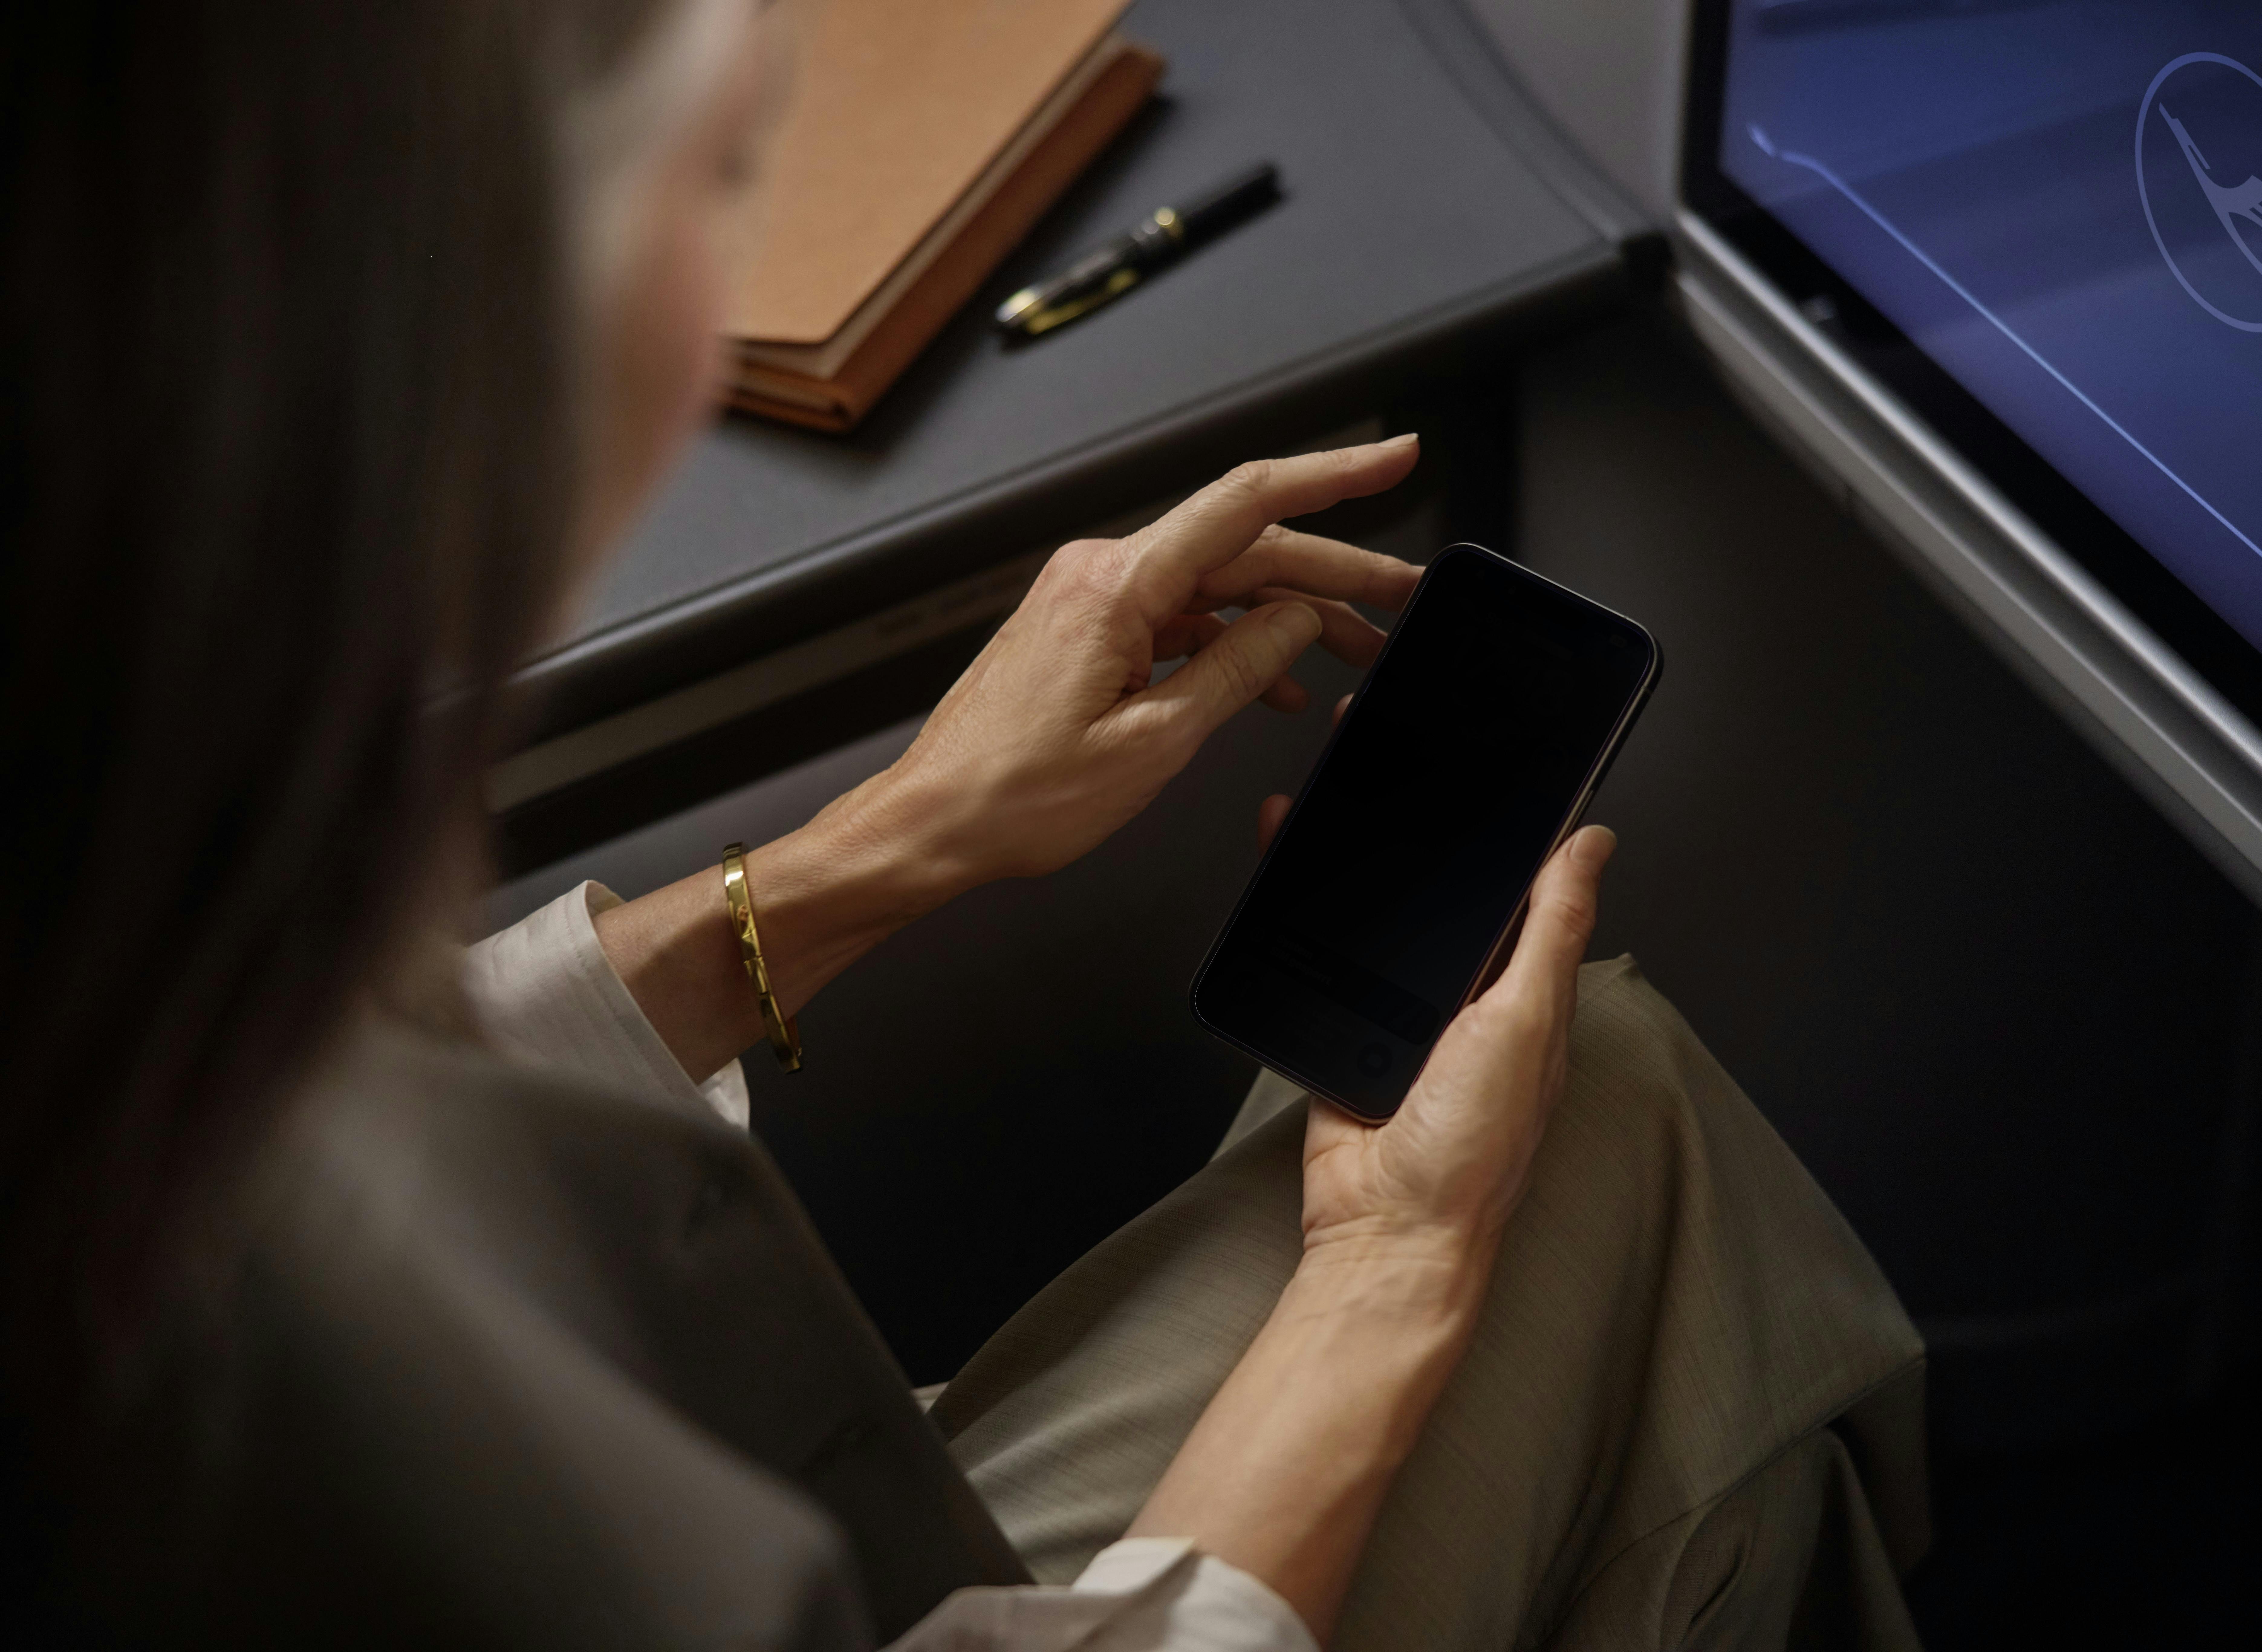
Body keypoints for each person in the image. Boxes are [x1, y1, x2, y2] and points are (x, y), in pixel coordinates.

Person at [0, 0, 1928, 1647]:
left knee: (1601, 1088)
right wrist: (1393, 1266)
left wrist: (883, 843)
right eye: (728, 167)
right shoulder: (256, 1379)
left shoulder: (107, 934)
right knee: (1632, 1169)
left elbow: (340, 1095)